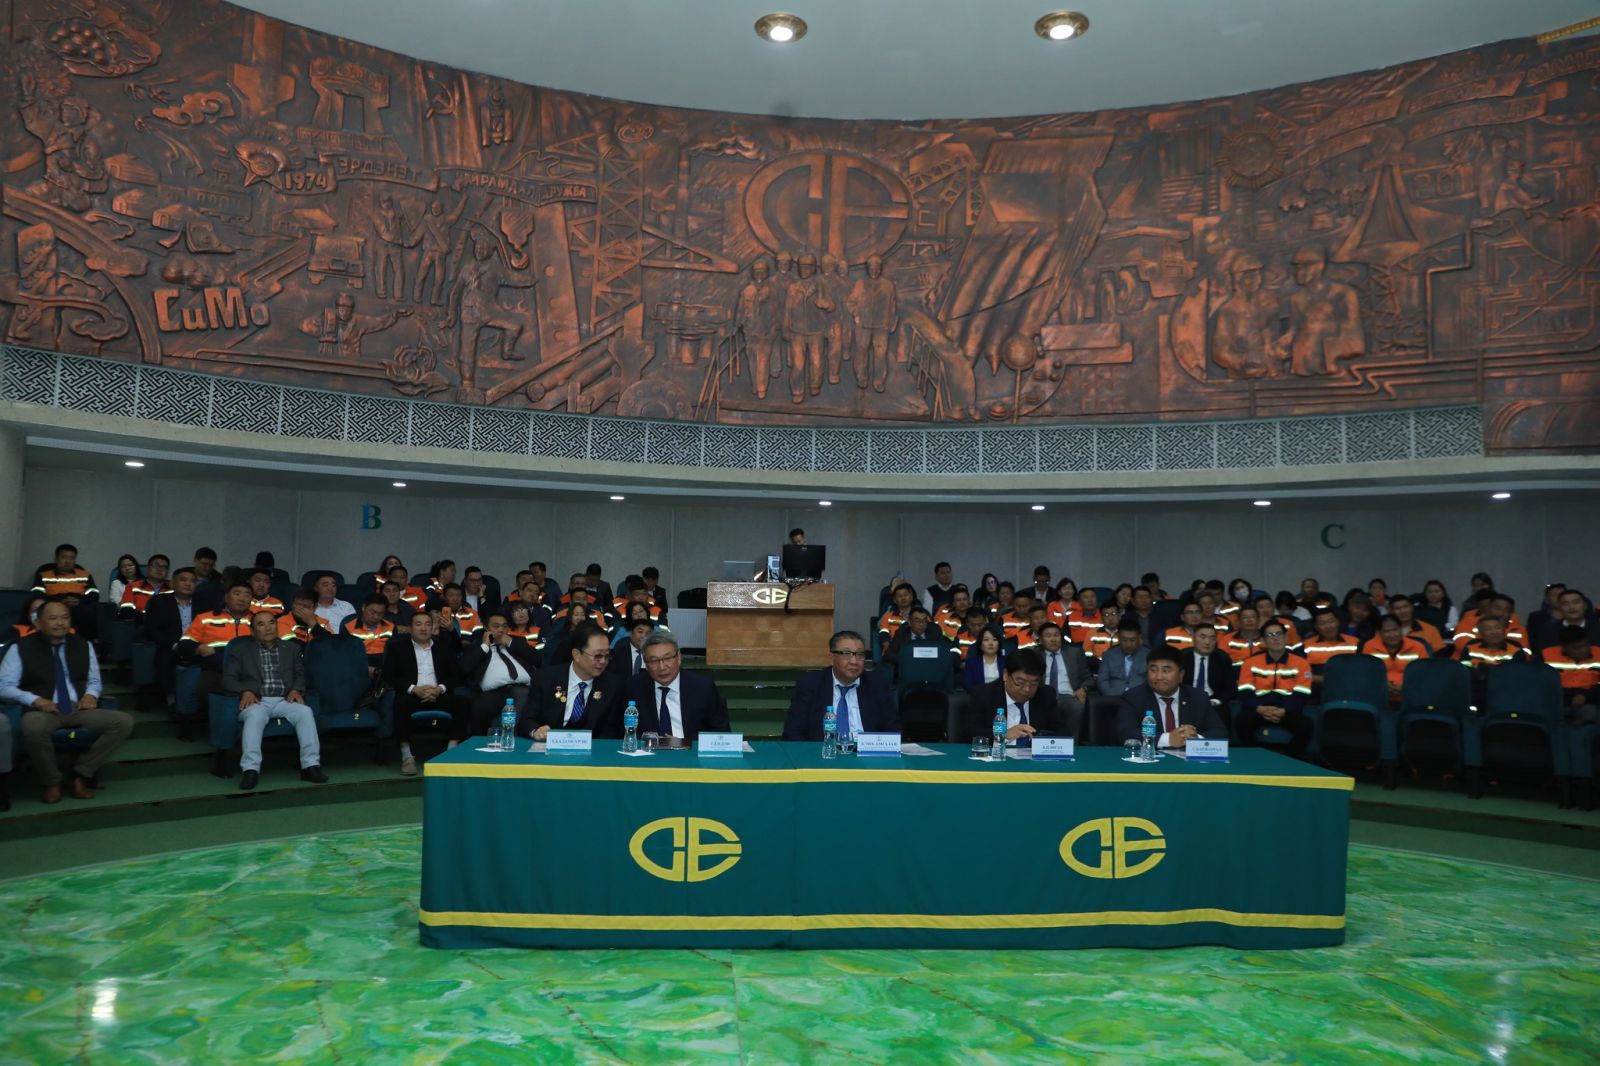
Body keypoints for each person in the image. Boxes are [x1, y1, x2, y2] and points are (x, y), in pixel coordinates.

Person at [0, 600, 133, 803]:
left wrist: (91, 695)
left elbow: (94, 680)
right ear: (38, 623)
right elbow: (4, 686)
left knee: (123, 722)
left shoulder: (83, 644)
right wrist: (36, 700)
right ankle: (51, 781)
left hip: (77, 707)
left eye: (65, 617)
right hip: (43, 710)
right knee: (32, 725)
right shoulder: (20, 647)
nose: (60, 623)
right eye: (53, 618)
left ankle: (81, 774)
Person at [223, 611, 328, 791]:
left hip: (284, 699)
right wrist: (245, 691)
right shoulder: (240, 650)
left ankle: (310, 766)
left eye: (271, 623)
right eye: (261, 624)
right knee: (255, 716)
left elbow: (300, 674)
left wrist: (296, 689)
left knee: (305, 712)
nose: (268, 628)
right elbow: (228, 679)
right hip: (257, 700)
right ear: (252, 630)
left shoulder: (291, 648)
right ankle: (250, 770)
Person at [384, 611, 465, 775]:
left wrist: (439, 689)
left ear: (433, 627)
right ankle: (407, 756)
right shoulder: (397, 648)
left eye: (428, 624)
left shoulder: (443, 647)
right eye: (418, 624)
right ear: (410, 628)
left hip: (438, 693)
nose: (423, 628)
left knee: (461, 702)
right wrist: (414, 689)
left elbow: (455, 676)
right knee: (400, 702)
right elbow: (389, 676)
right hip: (412, 694)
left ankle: (450, 754)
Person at [781, 630, 898, 742]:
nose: (854, 661)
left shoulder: (877, 684)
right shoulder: (811, 684)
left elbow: (893, 730)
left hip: (867, 753)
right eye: (846, 654)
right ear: (831, 658)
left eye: (859, 654)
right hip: (824, 752)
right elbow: (792, 733)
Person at [520, 622, 623, 741]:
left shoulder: (613, 685)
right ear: (576, 655)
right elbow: (526, 720)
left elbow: (611, 731)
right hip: (549, 747)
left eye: (607, 655)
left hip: (592, 749)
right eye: (598, 656)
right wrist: (536, 731)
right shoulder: (545, 678)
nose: (603, 661)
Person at [178, 582, 256, 732]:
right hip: (216, 668)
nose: (242, 598)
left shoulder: (257, 620)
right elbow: (185, 644)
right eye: (237, 594)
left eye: (247, 595)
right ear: (226, 597)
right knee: (209, 686)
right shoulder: (206, 618)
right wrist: (199, 648)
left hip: (250, 669)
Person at [1116, 646, 1228, 749]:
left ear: (1181, 675)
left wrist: (1193, 738)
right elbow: (1126, 734)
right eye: (1153, 670)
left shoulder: (1198, 697)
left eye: (1166, 670)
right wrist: (1168, 739)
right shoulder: (1133, 698)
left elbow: (1220, 732)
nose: (1159, 676)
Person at [625, 632, 729, 742]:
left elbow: (721, 734)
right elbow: (623, 731)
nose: (662, 667)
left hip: (690, 749)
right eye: (654, 660)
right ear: (646, 664)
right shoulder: (634, 687)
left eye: (667, 658)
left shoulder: (702, 686)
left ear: (679, 657)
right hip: (650, 750)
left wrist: (683, 743)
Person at [1236, 621, 1315, 758]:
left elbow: (1302, 692)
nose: (1276, 638)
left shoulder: (1301, 663)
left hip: (1287, 709)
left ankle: (1290, 760)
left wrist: (1284, 711)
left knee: (1306, 725)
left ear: (1286, 637)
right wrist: (1260, 709)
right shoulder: (1250, 662)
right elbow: (1245, 691)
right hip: (1259, 708)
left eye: (1279, 634)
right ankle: (1255, 757)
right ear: (1263, 640)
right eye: (1270, 635)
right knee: (1241, 721)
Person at [459, 609, 541, 736]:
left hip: (525, 688)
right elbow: (464, 668)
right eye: (496, 626)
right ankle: (478, 743)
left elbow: (538, 659)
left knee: (522, 693)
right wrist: (485, 646)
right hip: (496, 693)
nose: (501, 630)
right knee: (479, 705)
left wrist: (509, 642)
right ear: (486, 628)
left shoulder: (517, 642)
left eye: (504, 626)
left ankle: (512, 737)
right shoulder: (476, 646)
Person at [962, 647, 1064, 744]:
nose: (1027, 689)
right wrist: (1003, 734)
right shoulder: (983, 694)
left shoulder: (1046, 695)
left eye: (1033, 684)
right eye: (1020, 682)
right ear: (1006, 675)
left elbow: (1062, 731)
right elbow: (971, 733)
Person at [31, 543, 99, 639]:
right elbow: (37, 595)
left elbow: (94, 594)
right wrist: (59, 602)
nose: (68, 561)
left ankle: (85, 643)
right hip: (54, 605)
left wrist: (79, 600)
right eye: (64, 557)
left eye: (72, 558)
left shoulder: (84, 575)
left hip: (78, 605)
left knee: (92, 612)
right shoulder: (44, 575)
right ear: (56, 558)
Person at [1035, 623, 1089, 740]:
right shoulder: (1034, 654)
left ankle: (1072, 744)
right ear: (1041, 639)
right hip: (1042, 696)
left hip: (1068, 696)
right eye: (1048, 636)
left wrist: (1083, 688)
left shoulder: (1074, 653)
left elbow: (1088, 678)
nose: (1053, 639)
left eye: (1056, 635)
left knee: (1077, 708)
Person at [1361, 616, 1430, 704]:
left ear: (1401, 629)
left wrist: (1407, 686)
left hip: (1411, 699)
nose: (1392, 635)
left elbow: (1426, 674)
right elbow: (1365, 673)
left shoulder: (1418, 647)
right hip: (1378, 698)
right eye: (1387, 631)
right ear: (1379, 633)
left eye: (1395, 630)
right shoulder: (1369, 646)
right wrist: (1382, 685)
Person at [1540, 626, 1600, 725]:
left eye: (1586, 645)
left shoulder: (1598, 654)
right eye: (1577, 648)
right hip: (1556, 702)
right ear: (1564, 648)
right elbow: (1541, 684)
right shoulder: (1546, 656)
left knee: (1590, 713)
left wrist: (1585, 695)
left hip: (1589, 702)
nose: (1584, 650)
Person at [1302, 608, 1361, 690]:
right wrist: (1318, 679)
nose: (1328, 627)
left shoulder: (1354, 642)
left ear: (1338, 622)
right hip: (1318, 689)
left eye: (1331, 621)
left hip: (1349, 687)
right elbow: (1302, 672)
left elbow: (1361, 668)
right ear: (1316, 627)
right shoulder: (1307, 645)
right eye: (1322, 623)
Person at [1184, 624, 1239, 710]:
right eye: (1203, 637)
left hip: (1213, 702)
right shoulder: (1182, 658)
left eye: (1212, 638)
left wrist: (1216, 701)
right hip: (1186, 701)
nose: (1207, 642)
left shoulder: (1222, 659)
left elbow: (1231, 688)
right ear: (1193, 638)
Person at [1533, 588, 1600, 651]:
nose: (1571, 607)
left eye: (1576, 602)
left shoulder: (1597, 628)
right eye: (1566, 604)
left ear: (1585, 605)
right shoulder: (1548, 631)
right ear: (1560, 607)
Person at [344, 595, 396, 672]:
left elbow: (395, 653)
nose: (376, 617)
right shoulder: (348, 628)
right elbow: (346, 656)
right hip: (360, 667)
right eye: (372, 612)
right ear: (363, 607)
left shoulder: (391, 627)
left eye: (380, 614)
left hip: (386, 668)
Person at [961, 627, 1005, 692]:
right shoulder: (972, 663)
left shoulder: (1006, 662)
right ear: (980, 645)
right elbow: (968, 686)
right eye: (986, 640)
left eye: (994, 639)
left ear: (999, 644)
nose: (990, 643)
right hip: (980, 696)